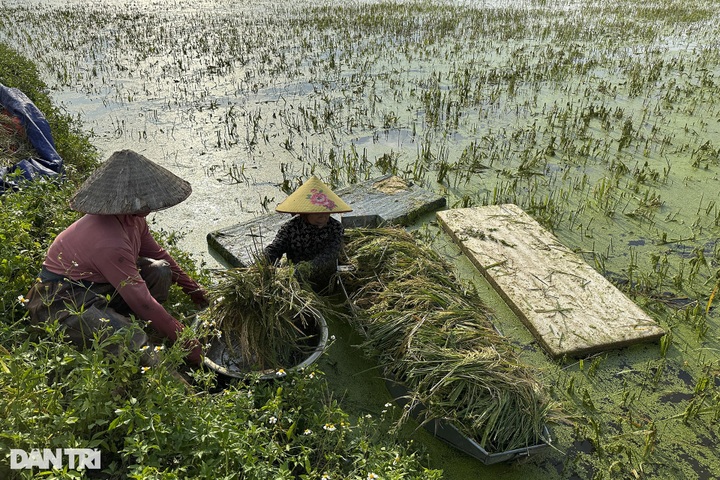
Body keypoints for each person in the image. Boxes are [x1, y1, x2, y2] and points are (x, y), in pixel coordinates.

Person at [26, 149, 208, 366]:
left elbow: (158, 254)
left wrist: (196, 291)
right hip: (61, 300)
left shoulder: (134, 221)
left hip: (99, 284)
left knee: (160, 268)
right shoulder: (110, 242)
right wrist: (185, 339)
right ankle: (175, 384)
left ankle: (152, 327)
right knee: (130, 338)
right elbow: (143, 303)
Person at [264, 176, 352, 291]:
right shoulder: (290, 228)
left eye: (326, 211)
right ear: (304, 213)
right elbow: (274, 249)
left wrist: (305, 268)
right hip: (296, 284)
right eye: (316, 212)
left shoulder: (335, 227)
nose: (323, 215)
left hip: (325, 282)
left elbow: (330, 254)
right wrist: (271, 264)